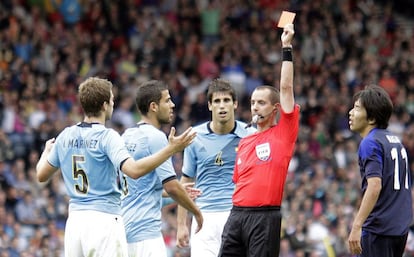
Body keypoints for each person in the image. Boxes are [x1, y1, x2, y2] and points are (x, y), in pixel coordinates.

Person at [36, 77, 196, 257]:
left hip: (75, 222)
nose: (113, 104)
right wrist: (170, 150)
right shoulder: (107, 137)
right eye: (112, 100)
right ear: (105, 105)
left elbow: (41, 175)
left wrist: (45, 153)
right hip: (103, 221)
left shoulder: (65, 135)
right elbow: (134, 171)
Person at [218, 23, 300, 257]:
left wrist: (286, 47)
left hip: (265, 217)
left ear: (275, 108)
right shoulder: (244, 142)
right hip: (236, 215)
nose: (255, 106)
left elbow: (285, 87)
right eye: (253, 102)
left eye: (261, 102)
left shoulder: (284, 132)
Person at [120, 80, 203, 257]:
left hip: (124, 232)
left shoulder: (127, 136)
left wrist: (180, 193)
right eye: (167, 100)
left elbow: (143, 190)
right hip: (146, 235)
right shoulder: (156, 137)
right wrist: (197, 213)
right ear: (153, 106)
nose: (172, 105)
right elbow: (172, 186)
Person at [176, 78, 256, 257]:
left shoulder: (250, 135)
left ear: (234, 104)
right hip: (203, 217)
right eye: (217, 101)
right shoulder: (194, 137)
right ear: (210, 106)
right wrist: (181, 225)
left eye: (226, 100)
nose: (222, 106)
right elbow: (186, 182)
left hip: (238, 214)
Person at [348, 84, 413, 257]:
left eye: (356, 108)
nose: (351, 113)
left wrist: (357, 225)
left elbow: (375, 185)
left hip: (378, 230)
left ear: (371, 118)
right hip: (399, 229)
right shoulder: (395, 141)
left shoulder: (370, 143)